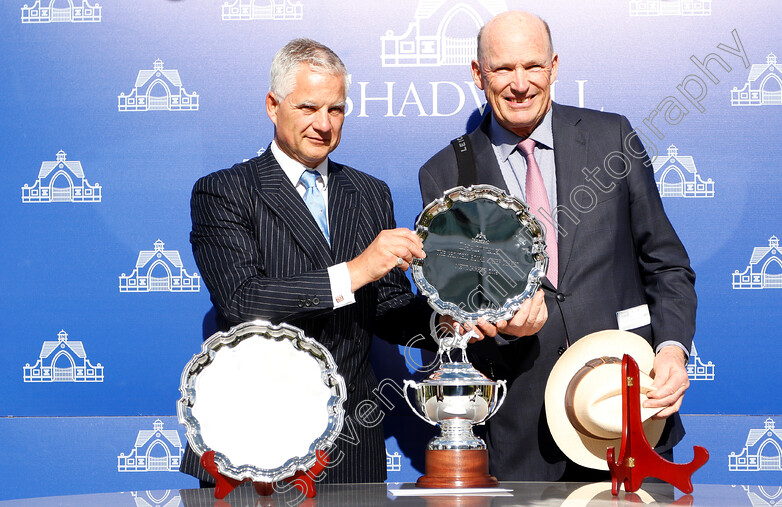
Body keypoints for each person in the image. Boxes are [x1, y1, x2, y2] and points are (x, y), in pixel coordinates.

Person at [181, 38, 546, 486]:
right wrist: (358, 270)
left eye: (335, 110)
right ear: (273, 106)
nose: (323, 124)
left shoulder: (369, 193)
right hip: (255, 436)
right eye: (308, 108)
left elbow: (388, 309)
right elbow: (242, 300)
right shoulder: (224, 191)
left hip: (351, 442)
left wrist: (452, 319)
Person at [418, 11, 697, 481]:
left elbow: (667, 266)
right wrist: (503, 325)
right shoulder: (446, 174)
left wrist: (671, 350)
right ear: (477, 73)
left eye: (533, 66)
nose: (520, 83)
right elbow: (456, 308)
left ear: (554, 67)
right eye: (504, 69)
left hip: (628, 413)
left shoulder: (613, 138)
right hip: (523, 436)